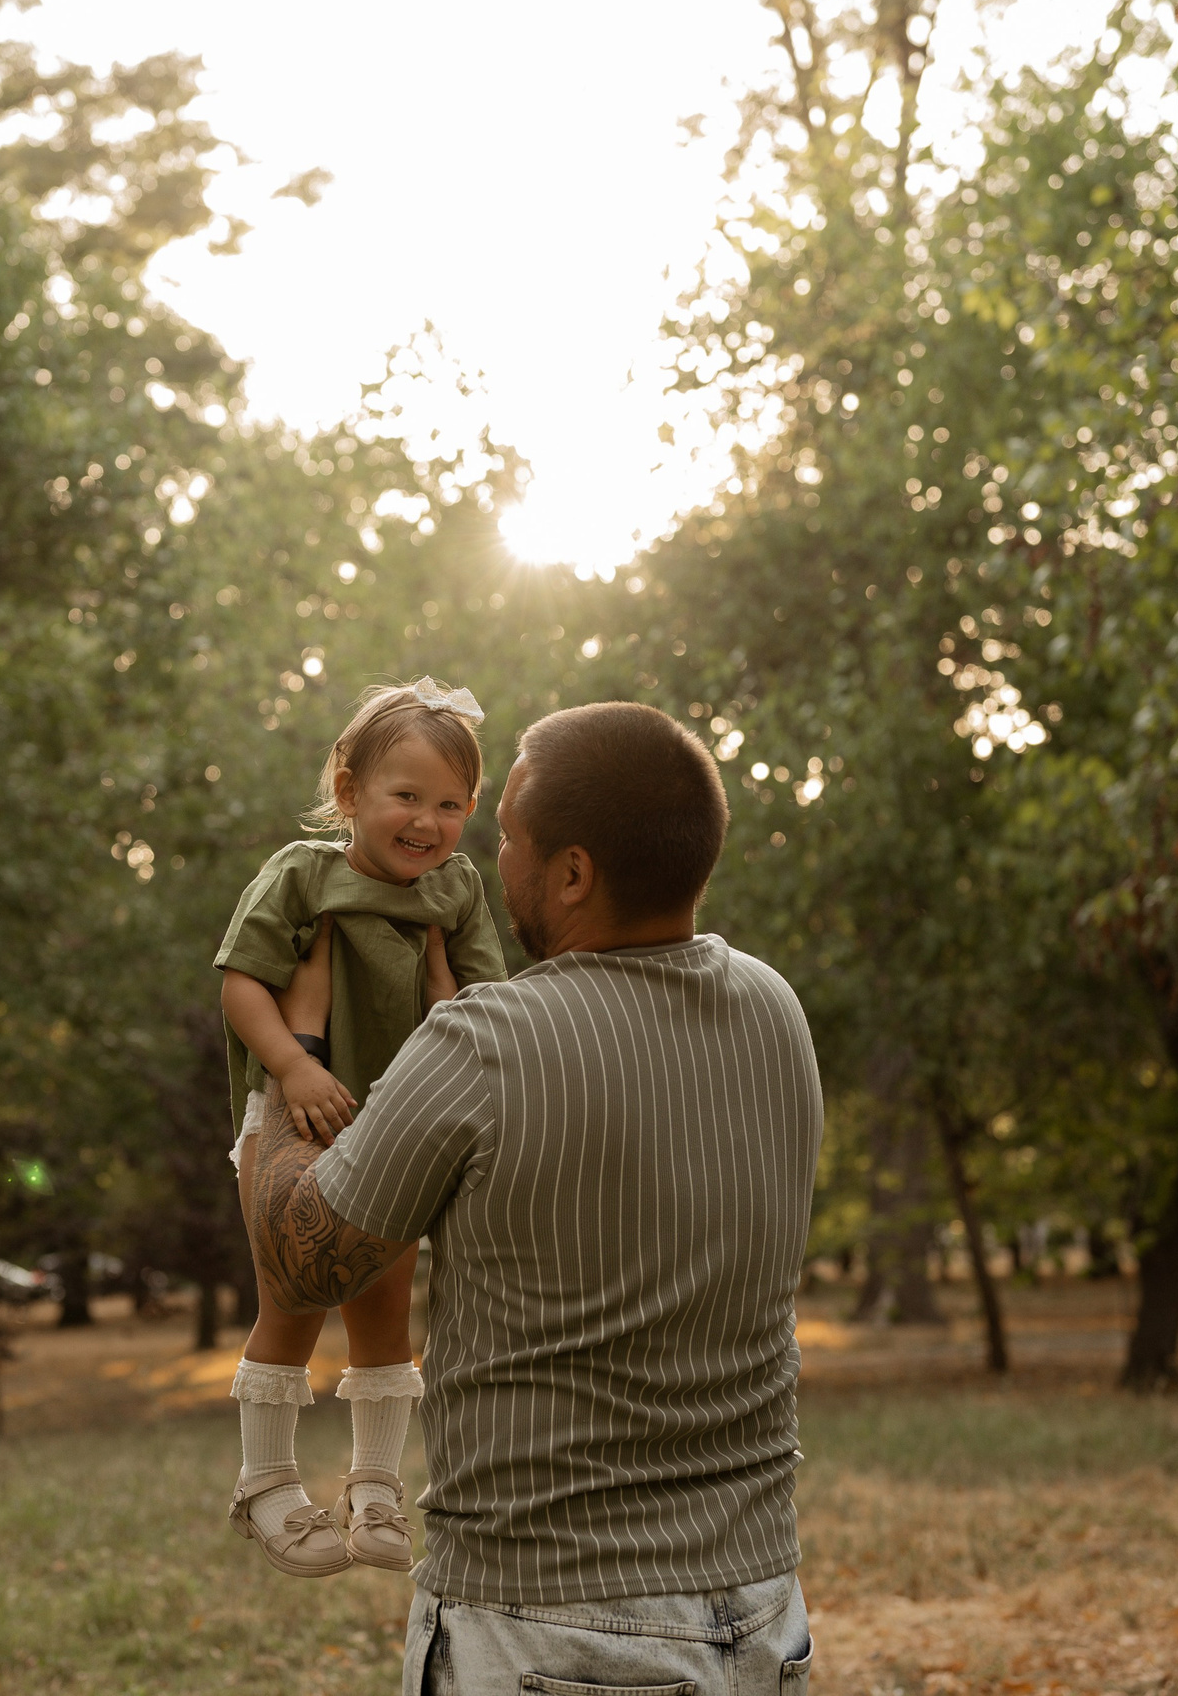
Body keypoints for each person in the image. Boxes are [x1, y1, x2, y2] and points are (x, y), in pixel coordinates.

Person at [241, 700, 824, 1692]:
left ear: (573, 871)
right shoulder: (772, 1003)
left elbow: (306, 1258)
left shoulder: (484, 1043)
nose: (479, 859)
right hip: (760, 1609)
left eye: (505, 834)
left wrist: (291, 1058)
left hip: (551, 1625)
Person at [214, 676, 510, 1578]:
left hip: (394, 1129)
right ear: (349, 793)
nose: (429, 821)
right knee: (294, 1299)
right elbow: (239, 983)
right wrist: (296, 1064)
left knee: (386, 1309)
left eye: (453, 803)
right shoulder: (302, 874)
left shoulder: (455, 889)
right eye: (407, 796)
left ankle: (376, 1487)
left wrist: (444, 996)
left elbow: (485, 1001)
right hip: (294, 1115)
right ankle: (265, 1483)